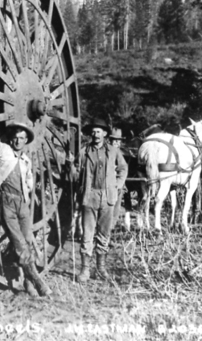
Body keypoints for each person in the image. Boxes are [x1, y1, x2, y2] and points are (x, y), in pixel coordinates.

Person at [0, 122, 52, 297]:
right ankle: (38, 281)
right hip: (6, 202)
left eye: (21, 138)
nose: (18, 141)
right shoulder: (3, 149)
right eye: (15, 138)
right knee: (19, 244)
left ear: (26, 140)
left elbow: (29, 181)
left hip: (22, 204)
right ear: (11, 138)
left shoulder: (26, 160)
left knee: (27, 240)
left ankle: (27, 283)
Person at [68, 119, 128, 283]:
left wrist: (117, 186)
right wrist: (71, 167)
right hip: (90, 196)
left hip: (108, 197)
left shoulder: (113, 151)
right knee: (87, 233)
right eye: (93, 132)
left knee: (104, 234)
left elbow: (123, 168)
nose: (96, 134)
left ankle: (101, 269)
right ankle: (85, 270)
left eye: (99, 131)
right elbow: (75, 172)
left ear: (105, 134)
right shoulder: (84, 152)